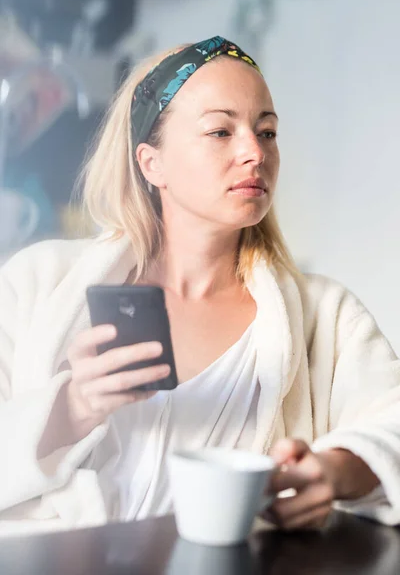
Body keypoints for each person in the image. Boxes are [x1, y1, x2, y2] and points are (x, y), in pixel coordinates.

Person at [1, 35, 400, 536]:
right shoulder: (35, 285)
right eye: (219, 132)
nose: (254, 152)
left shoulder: (326, 314)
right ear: (152, 163)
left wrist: (337, 470)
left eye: (268, 132)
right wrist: (74, 406)